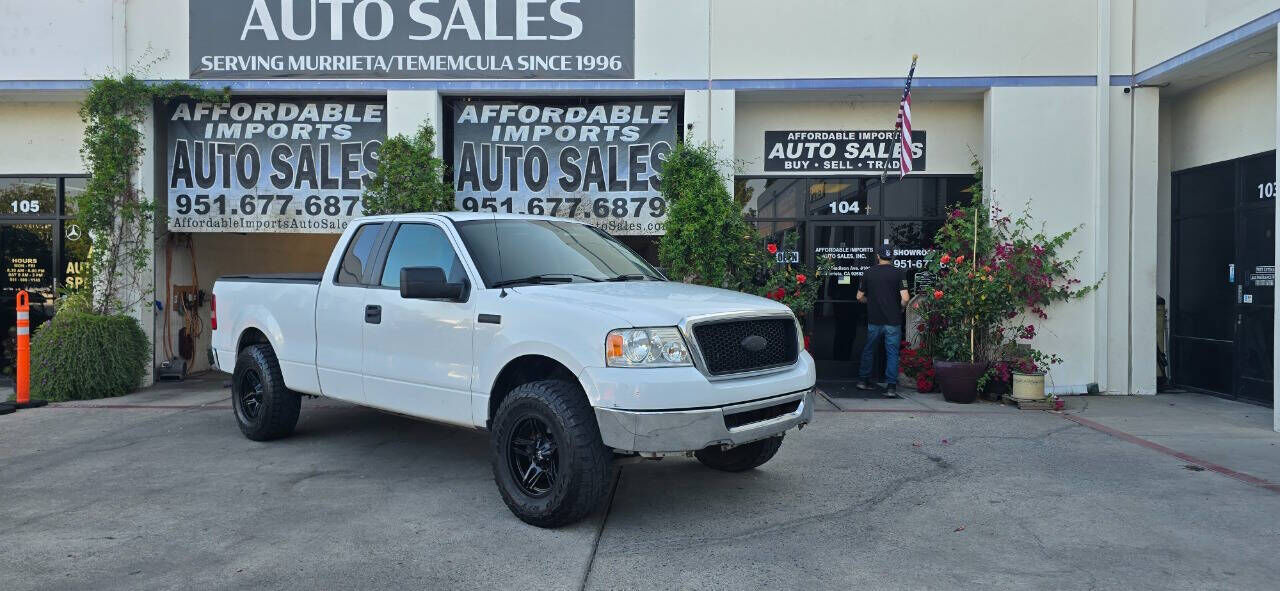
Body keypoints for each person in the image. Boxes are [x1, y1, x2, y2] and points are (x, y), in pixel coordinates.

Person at [855, 246, 910, 396]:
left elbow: (859, 297)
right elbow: (905, 298)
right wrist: (901, 307)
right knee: (892, 352)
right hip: (893, 320)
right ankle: (891, 387)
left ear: (878, 256)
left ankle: (863, 380)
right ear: (892, 257)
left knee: (869, 349)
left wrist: (870, 301)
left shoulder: (869, 272)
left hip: (874, 319)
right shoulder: (899, 273)